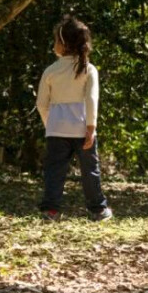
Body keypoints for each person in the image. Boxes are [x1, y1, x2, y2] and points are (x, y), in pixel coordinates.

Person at [36, 16, 112, 222]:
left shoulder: (50, 71)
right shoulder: (89, 69)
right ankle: (97, 210)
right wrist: (91, 127)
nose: (54, 45)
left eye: (55, 41)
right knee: (90, 171)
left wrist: (50, 124)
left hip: (56, 130)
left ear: (63, 44)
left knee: (54, 171)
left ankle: (50, 210)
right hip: (82, 128)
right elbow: (91, 99)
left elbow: (41, 104)